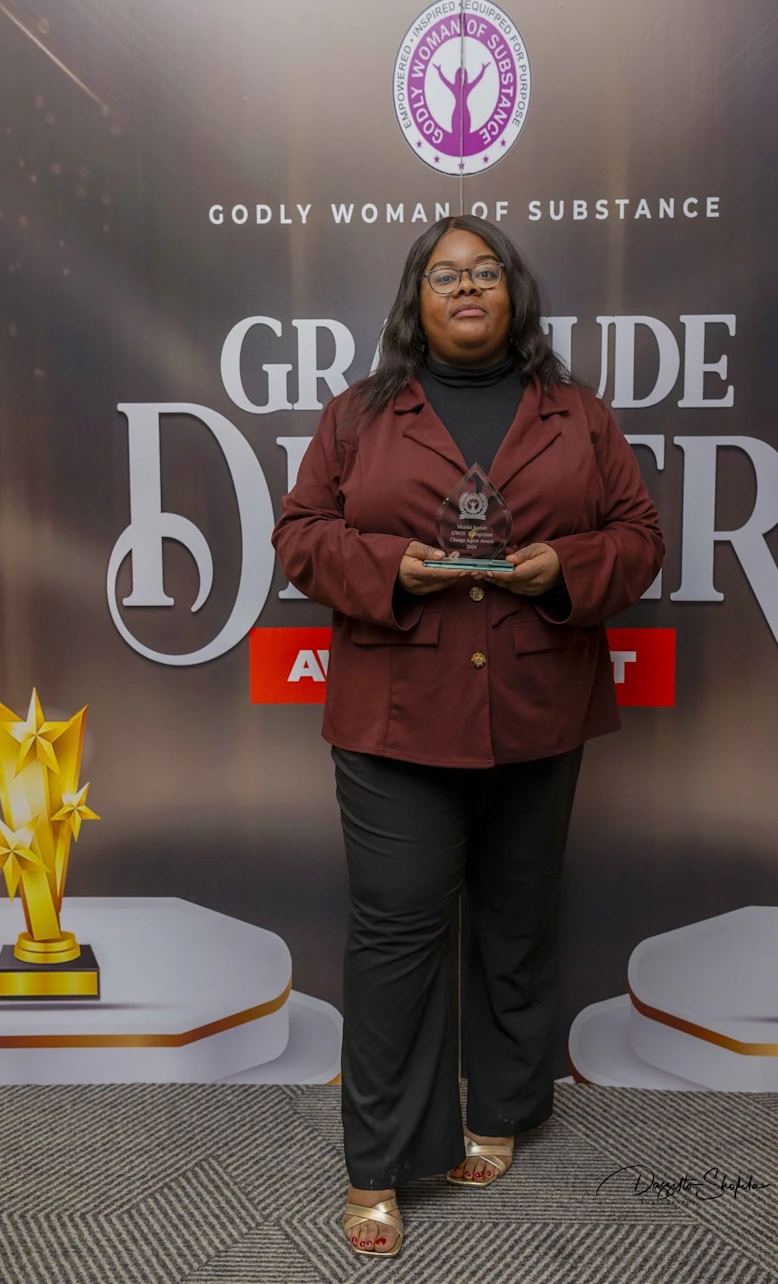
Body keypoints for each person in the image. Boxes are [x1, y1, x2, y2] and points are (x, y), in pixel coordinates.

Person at [272, 216, 664, 1258]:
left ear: (512, 293)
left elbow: (639, 537)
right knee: (396, 936)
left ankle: (503, 1107)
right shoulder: (357, 415)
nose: (466, 288)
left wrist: (567, 567)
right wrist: (389, 567)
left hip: (538, 710)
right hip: (392, 718)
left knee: (515, 922)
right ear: (416, 297)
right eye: (444, 275)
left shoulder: (578, 416)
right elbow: (299, 534)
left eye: (484, 271)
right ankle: (378, 1165)